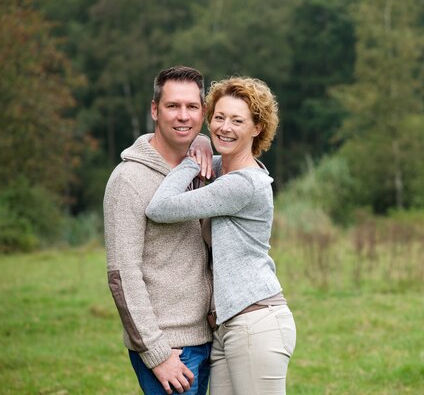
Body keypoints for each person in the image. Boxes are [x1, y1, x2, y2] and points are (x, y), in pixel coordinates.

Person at [146, 76, 297, 394]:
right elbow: (207, 162)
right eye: (219, 117)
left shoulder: (242, 184)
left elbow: (160, 207)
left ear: (257, 128)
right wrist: (199, 143)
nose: (225, 127)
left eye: (237, 120)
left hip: (256, 323)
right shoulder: (220, 170)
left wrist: (191, 158)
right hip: (230, 326)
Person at [104, 65, 216, 395]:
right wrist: (156, 353)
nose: (183, 116)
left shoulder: (201, 168)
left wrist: (203, 143)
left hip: (211, 340)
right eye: (172, 106)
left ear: (203, 112)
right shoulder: (127, 181)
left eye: (192, 107)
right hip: (171, 350)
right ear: (155, 110)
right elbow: (121, 275)